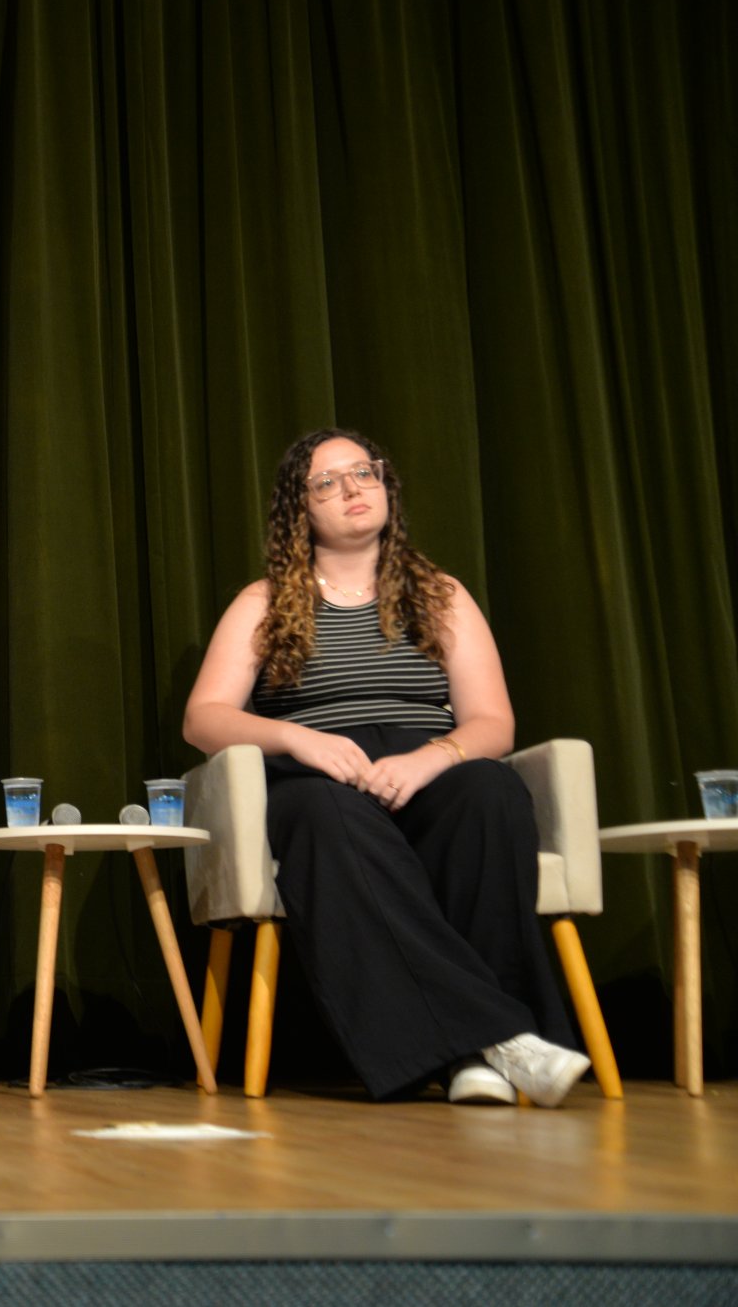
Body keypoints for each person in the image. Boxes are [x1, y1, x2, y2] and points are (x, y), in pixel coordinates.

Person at [181, 429, 591, 1106]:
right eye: (327, 481)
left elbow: (492, 721)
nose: (352, 488)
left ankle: (473, 1060)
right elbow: (204, 718)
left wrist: (432, 759)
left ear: (385, 486)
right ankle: (502, 1037)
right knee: (324, 813)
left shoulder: (440, 594)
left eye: (364, 472)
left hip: (424, 773)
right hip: (317, 781)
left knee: (491, 792)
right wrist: (295, 739)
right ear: (299, 508)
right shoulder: (264, 601)